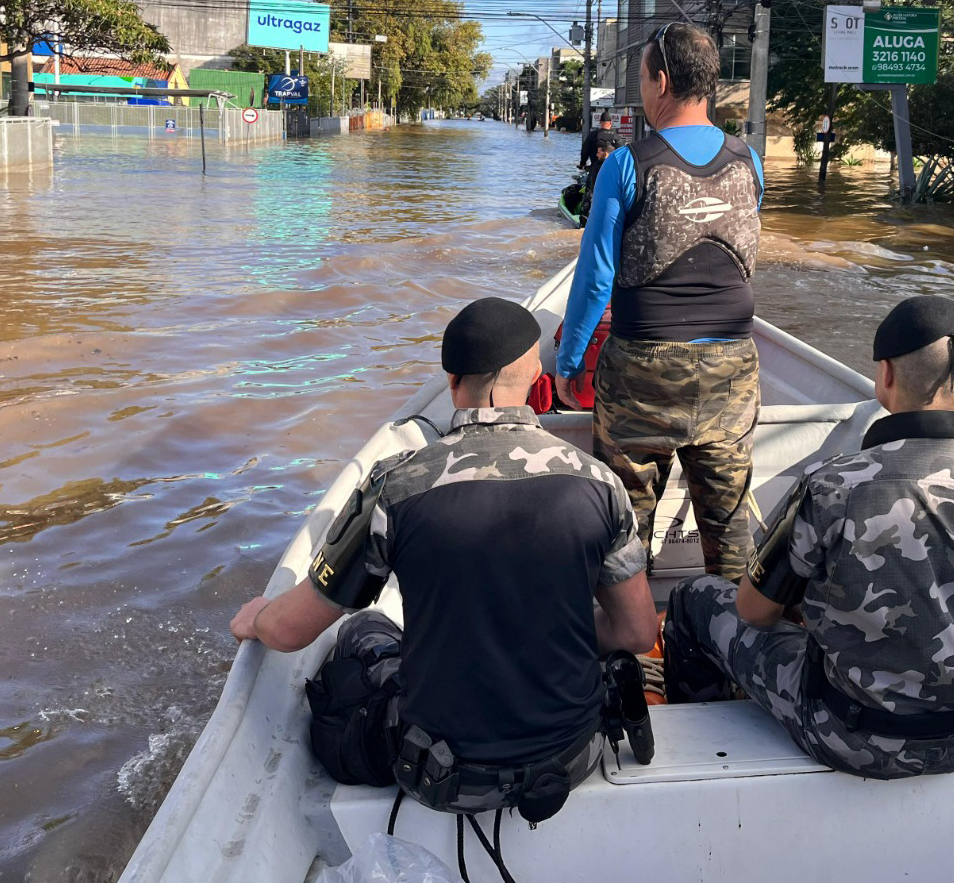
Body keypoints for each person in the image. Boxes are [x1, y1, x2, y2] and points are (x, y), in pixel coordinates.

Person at [231, 297, 657, 809]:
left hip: (445, 776)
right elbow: (636, 633)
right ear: (536, 376)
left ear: (453, 382)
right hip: (571, 758)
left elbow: (288, 632)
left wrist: (257, 619)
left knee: (363, 633)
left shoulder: (396, 487)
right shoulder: (600, 484)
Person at [662, 294, 954, 780]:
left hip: (847, 736)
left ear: (886, 376)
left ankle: (694, 747)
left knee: (695, 598)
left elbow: (754, 611)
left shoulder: (832, 484)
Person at [555, 22, 764, 579]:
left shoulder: (628, 164)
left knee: (624, 528)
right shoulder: (749, 161)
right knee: (730, 530)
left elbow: (595, 278)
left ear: (662, 81)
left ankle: (634, 650)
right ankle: (732, 648)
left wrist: (571, 363)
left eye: (643, 76)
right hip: (733, 369)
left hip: (642, 367)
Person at [578, 111, 618, 194]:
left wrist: (582, 163)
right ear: (611, 123)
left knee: (589, 190)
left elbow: (584, 151)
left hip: (594, 167)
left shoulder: (593, 135)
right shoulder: (616, 137)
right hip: (611, 169)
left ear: (600, 122)